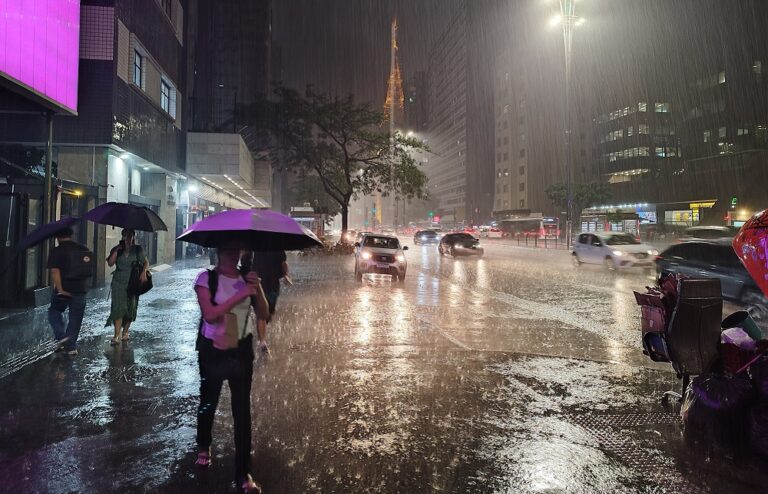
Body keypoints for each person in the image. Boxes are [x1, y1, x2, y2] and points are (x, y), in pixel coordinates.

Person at [194, 243, 269, 493]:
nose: (233, 254)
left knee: (242, 411)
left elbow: (264, 313)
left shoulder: (247, 278)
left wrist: (256, 288)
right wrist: (240, 294)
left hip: (240, 350)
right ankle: (204, 444)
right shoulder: (206, 279)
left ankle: (243, 474)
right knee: (208, 401)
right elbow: (210, 314)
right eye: (228, 250)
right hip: (212, 350)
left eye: (236, 249)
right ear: (218, 252)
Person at [47, 227, 93, 356]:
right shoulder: (83, 249)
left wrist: (60, 289)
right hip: (80, 289)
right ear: (71, 235)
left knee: (54, 311)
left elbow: (55, 271)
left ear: (57, 236)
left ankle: (61, 336)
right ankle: (71, 347)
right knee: (76, 318)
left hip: (63, 289)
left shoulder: (57, 251)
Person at [106, 228, 149, 345]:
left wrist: (143, 272)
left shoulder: (137, 250)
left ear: (133, 237)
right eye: (126, 236)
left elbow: (145, 262)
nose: (128, 238)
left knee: (130, 307)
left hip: (133, 282)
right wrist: (116, 251)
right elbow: (110, 263)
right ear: (122, 236)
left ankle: (125, 331)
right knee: (118, 308)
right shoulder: (117, 249)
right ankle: (116, 335)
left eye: (130, 236)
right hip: (118, 283)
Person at [240, 250, 288, 353]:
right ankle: (262, 341)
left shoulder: (253, 247)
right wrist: (285, 275)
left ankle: (261, 339)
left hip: (267, 284)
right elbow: (284, 264)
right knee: (262, 314)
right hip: (266, 285)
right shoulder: (276, 247)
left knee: (265, 314)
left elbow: (243, 261)